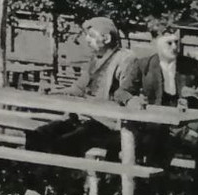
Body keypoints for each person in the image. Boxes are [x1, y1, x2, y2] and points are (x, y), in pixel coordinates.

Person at [115, 26, 198, 195]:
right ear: (156, 44)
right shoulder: (142, 66)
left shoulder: (193, 68)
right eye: (169, 42)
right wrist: (131, 99)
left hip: (188, 127)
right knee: (153, 149)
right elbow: (121, 91)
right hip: (155, 128)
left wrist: (194, 129)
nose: (175, 46)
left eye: (177, 42)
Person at [23, 16, 131, 158]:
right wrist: (54, 91)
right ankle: (36, 177)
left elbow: (125, 95)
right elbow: (79, 89)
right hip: (82, 118)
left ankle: (65, 178)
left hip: (105, 125)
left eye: (91, 36)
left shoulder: (125, 59)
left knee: (62, 144)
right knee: (36, 135)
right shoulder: (95, 59)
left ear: (107, 39)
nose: (87, 39)